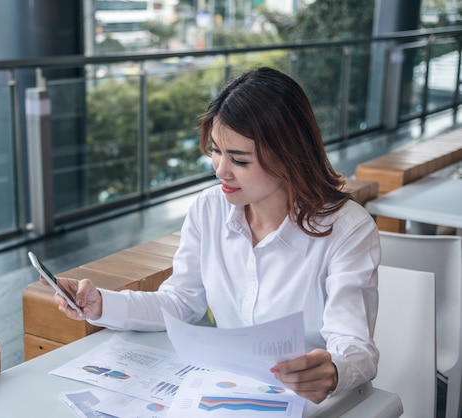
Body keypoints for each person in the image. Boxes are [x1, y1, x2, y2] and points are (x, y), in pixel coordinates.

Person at [45, 67, 380, 405]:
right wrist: (101, 304)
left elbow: (354, 346)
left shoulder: (347, 229)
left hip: (308, 403)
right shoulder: (209, 209)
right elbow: (180, 304)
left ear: (289, 156)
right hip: (228, 395)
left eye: (239, 159)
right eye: (216, 150)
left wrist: (333, 370)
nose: (220, 169)